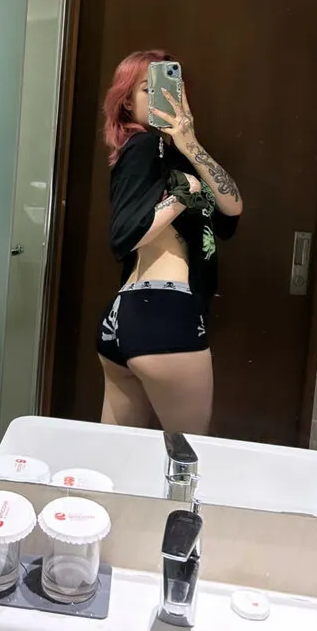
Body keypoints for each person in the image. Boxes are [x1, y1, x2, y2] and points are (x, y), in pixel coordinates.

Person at [96, 49, 242, 434]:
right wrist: (180, 196)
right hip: (163, 312)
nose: (163, 97)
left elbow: (231, 210)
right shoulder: (143, 146)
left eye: (171, 89)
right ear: (127, 101)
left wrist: (189, 143)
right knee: (187, 455)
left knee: (118, 453)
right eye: (149, 89)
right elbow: (124, 235)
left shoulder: (175, 155)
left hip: (125, 317)